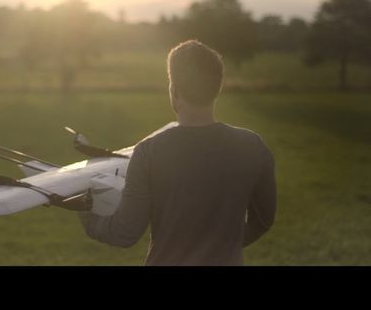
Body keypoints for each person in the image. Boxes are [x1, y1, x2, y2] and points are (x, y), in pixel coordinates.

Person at [78, 40, 277, 266]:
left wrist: (87, 212)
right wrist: (222, 247)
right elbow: (263, 220)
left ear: (173, 91)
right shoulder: (253, 146)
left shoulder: (148, 152)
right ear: (217, 88)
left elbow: (124, 233)